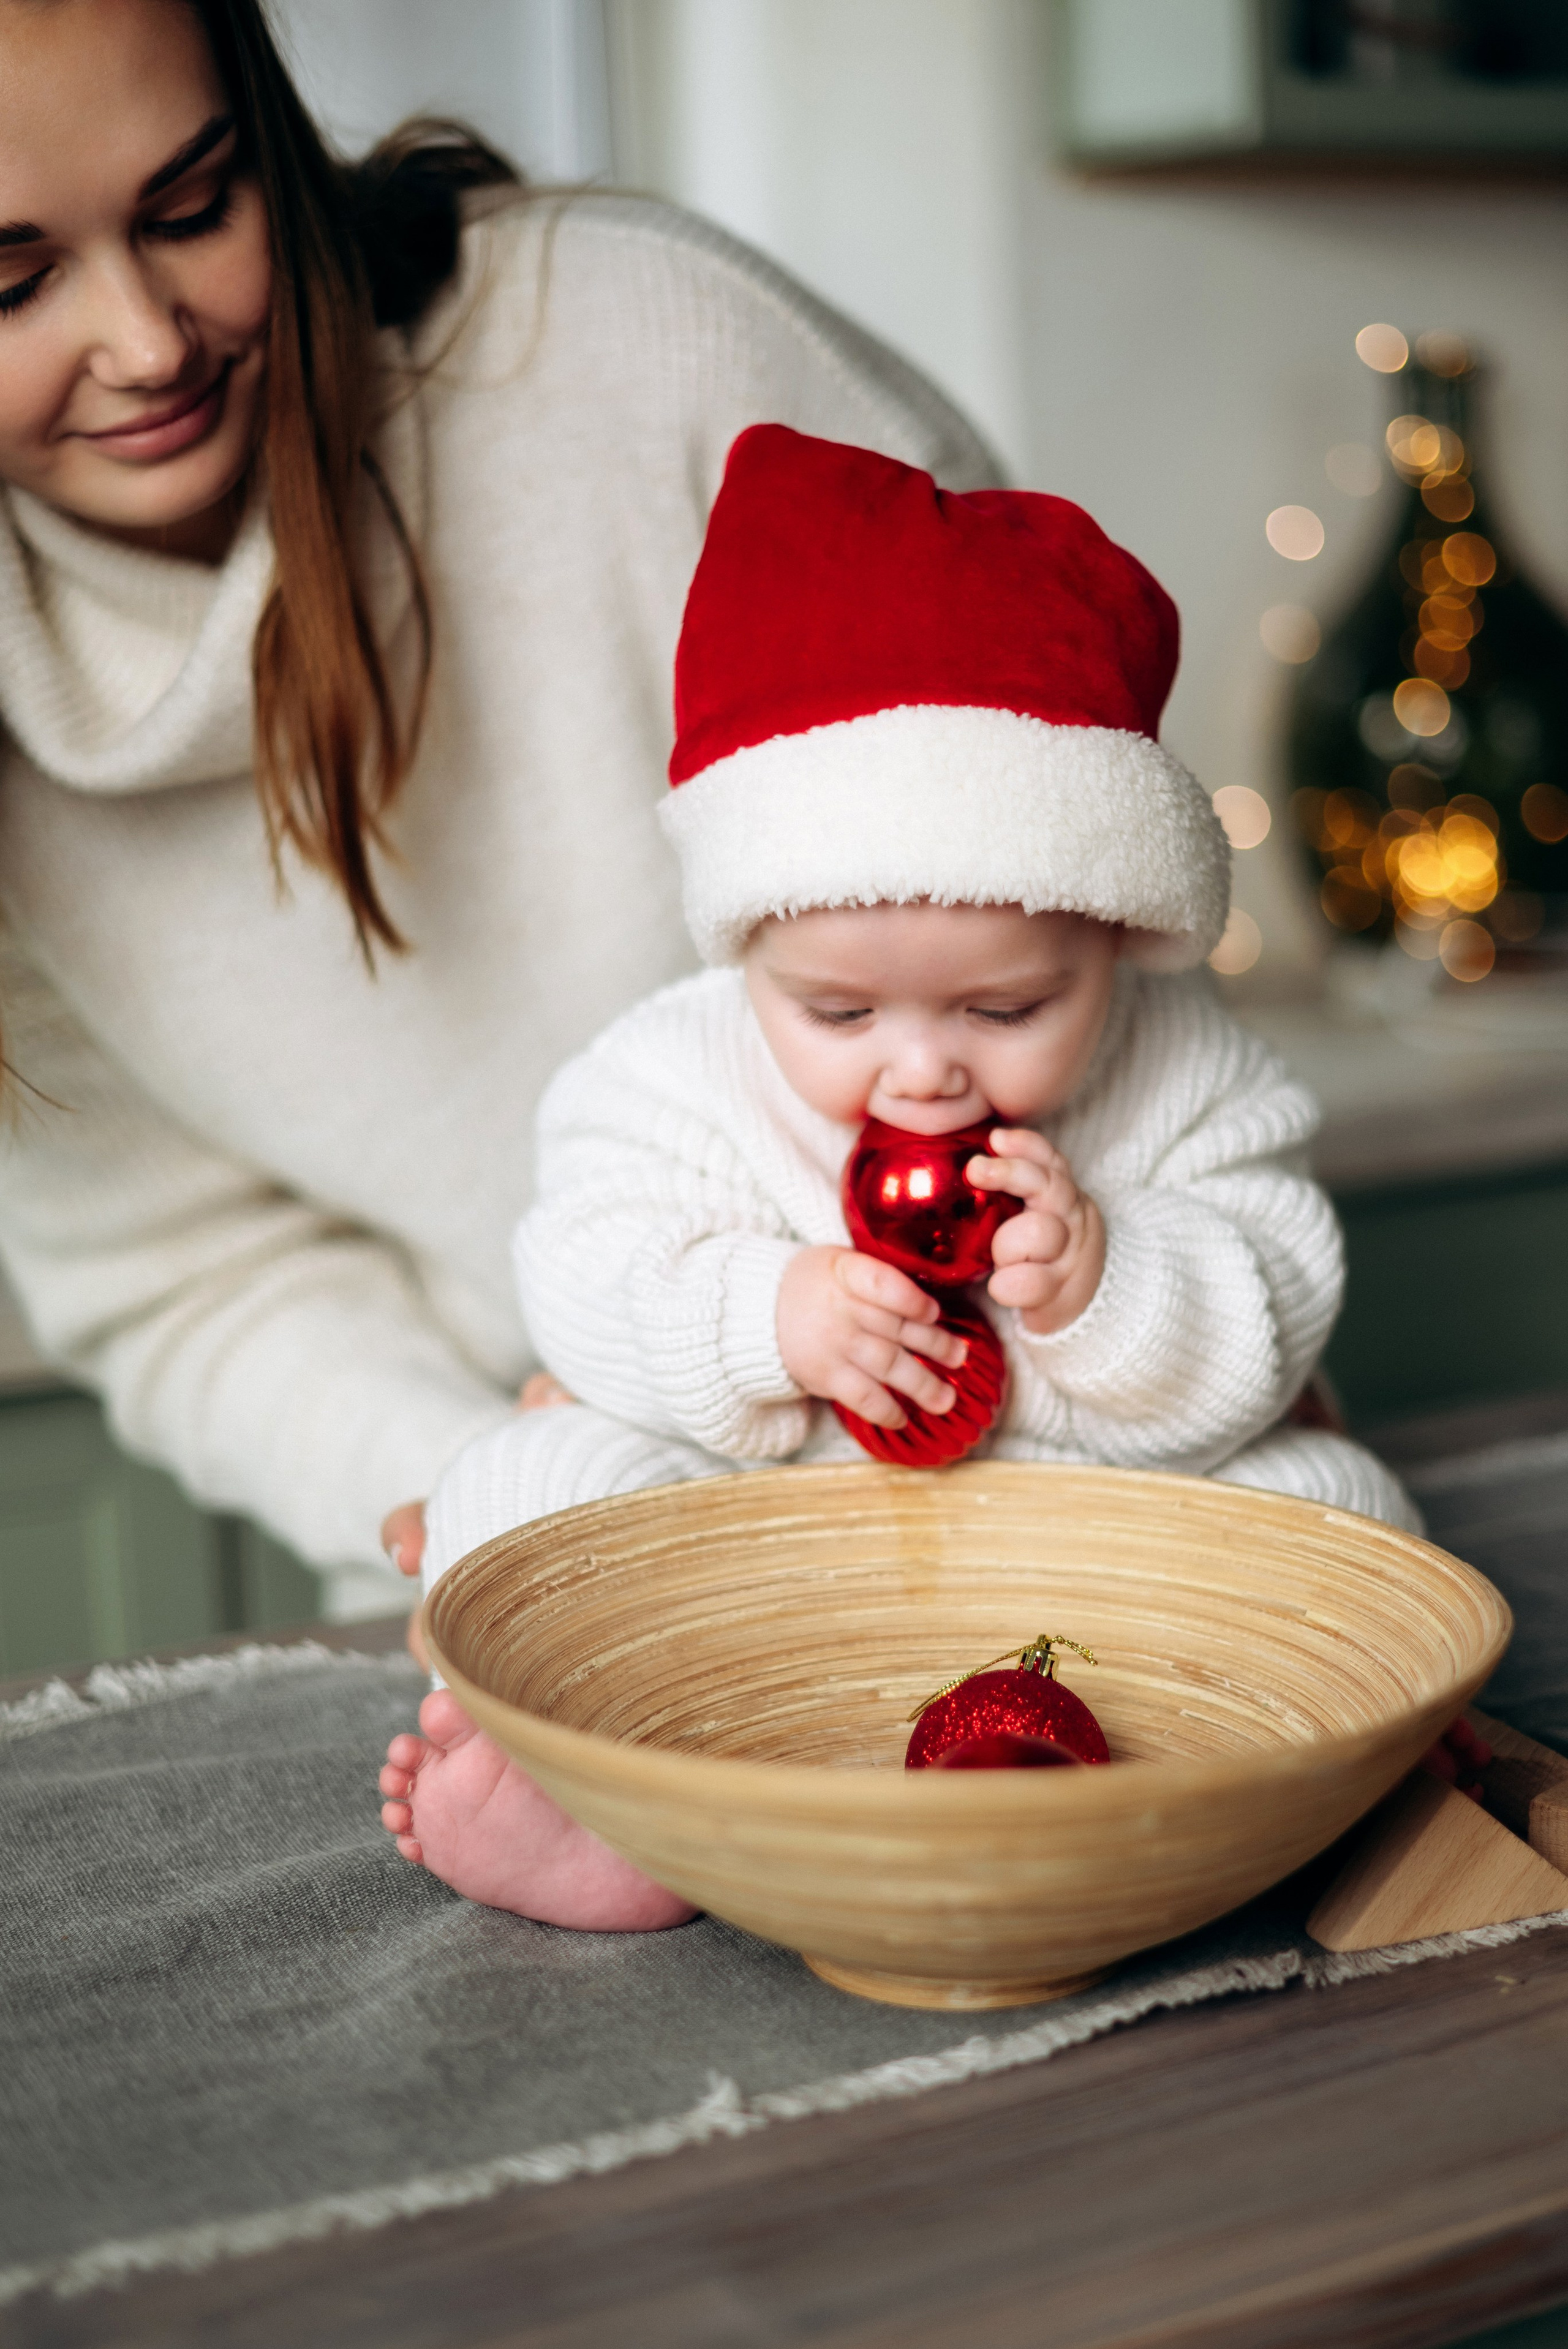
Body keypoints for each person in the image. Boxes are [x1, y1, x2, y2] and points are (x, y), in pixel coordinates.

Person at [0, 0, 995, 1622]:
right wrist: (534, 1515)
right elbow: (186, 1281)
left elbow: (1048, 856)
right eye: (13, 281)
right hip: (525, 1539)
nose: (149, 340)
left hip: (1007, 1424)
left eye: (197, 207)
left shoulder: (630, 340)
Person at [378, 424, 1421, 1928]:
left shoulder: (1190, 1064)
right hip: (763, 1548)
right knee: (529, 1483)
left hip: (1089, 1543)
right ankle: (625, 1803)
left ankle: (1223, 1779)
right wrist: (763, 1318)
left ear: (1116, 934)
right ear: (749, 939)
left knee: (1346, 1507)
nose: (920, 1068)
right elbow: (584, 1263)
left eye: (1005, 1010)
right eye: (839, 1012)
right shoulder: (665, 1068)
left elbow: (1271, 1284)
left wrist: (1108, 1284)